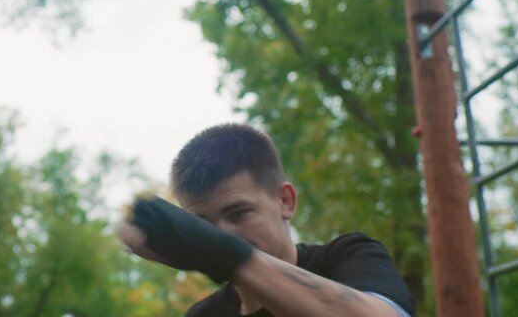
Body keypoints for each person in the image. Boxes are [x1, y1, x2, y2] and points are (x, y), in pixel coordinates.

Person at [119, 123, 414, 317]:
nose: (222, 234)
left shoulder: (349, 258)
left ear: (285, 201)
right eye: (202, 226)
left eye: (238, 213)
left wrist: (224, 255)